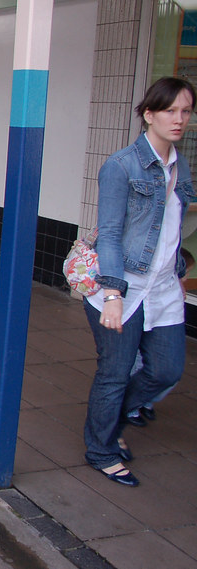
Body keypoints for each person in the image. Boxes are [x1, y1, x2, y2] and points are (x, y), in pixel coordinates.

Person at [84, 76, 195, 487]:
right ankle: (101, 449)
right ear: (149, 114)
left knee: (166, 371)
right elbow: (110, 233)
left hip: (164, 288)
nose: (179, 119)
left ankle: (109, 423)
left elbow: (172, 227)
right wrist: (113, 292)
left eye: (185, 111)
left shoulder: (178, 164)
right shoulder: (121, 165)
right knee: (113, 374)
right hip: (122, 288)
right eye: (170, 111)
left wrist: (177, 272)